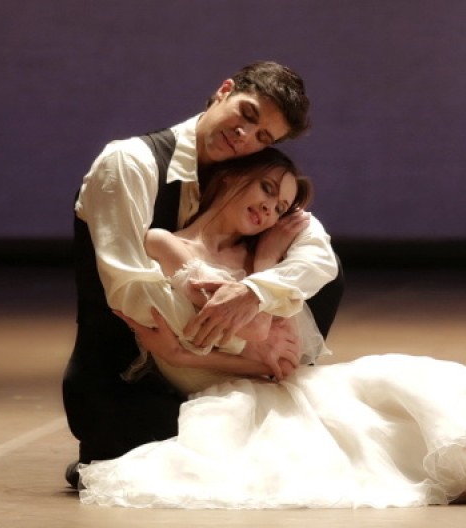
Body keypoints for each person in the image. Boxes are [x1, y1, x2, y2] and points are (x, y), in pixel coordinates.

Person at [77, 148, 466, 509]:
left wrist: (263, 267)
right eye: (265, 189)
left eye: (281, 206)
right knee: (390, 457)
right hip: (235, 401)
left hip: (290, 383)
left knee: (411, 382)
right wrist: (248, 356)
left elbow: (283, 339)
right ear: (233, 180)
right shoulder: (166, 245)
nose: (270, 211)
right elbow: (187, 359)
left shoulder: (264, 258)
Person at [62, 61, 343, 488]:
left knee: (320, 278)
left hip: (229, 372)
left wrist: (255, 289)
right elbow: (130, 290)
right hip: (130, 370)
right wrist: (252, 346)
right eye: (246, 114)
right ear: (223, 91)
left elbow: (317, 254)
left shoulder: (258, 171)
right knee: (162, 469)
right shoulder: (131, 161)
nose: (245, 137)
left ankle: (253, 403)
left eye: (263, 135)